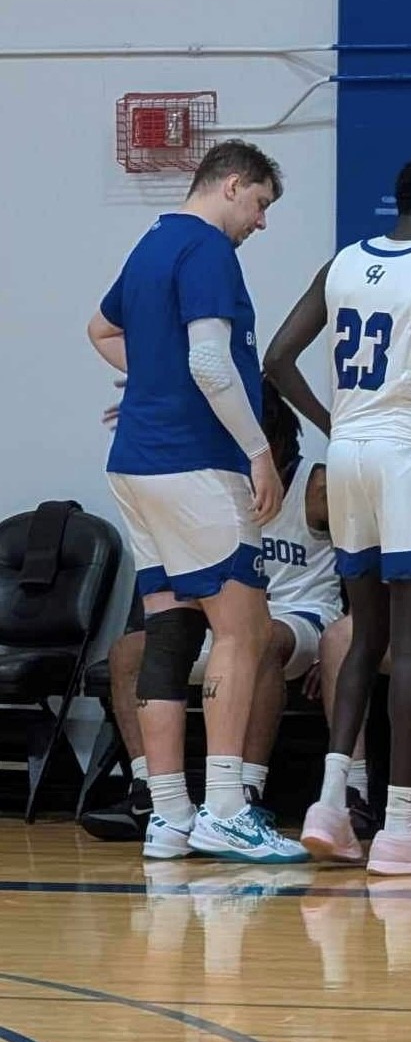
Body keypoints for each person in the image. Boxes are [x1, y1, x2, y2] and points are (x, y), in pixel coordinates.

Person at [86, 139, 303, 863]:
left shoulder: (150, 244)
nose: (262, 222)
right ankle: (226, 808)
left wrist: (153, 389)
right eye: (262, 204)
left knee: (171, 632)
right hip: (194, 466)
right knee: (242, 630)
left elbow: (102, 329)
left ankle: (170, 817)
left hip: (137, 467)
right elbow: (210, 360)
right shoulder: (208, 249)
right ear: (232, 185)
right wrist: (258, 449)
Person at [265, 155, 411, 875]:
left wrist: (334, 423)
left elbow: (277, 356)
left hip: (350, 454)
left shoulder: (343, 262)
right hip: (406, 456)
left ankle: (329, 802)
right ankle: (397, 825)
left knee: (363, 634)